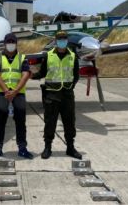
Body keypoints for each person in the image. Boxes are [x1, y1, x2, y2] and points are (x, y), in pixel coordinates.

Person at [32, 31, 82, 160]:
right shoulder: (48, 56)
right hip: (51, 95)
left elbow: (76, 75)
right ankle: (48, 147)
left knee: (70, 122)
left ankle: (70, 147)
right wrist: (30, 76)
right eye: (60, 39)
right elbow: (42, 74)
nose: (62, 41)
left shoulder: (73, 56)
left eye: (64, 39)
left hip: (67, 95)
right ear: (55, 40)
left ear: (67, 40)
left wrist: (70, 87)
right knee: (50, 122)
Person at [0, 33, 33, 160]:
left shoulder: (22, 58)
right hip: (2, 93)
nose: (10, 44)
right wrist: (7, 91)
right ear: (4, 43)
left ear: (16, 43)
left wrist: (14, 91)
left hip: (18, 93)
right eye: (8, 42)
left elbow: (25, 75)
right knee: (0, 121)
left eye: (13, 42)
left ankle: (22, 148)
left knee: (20, 121)